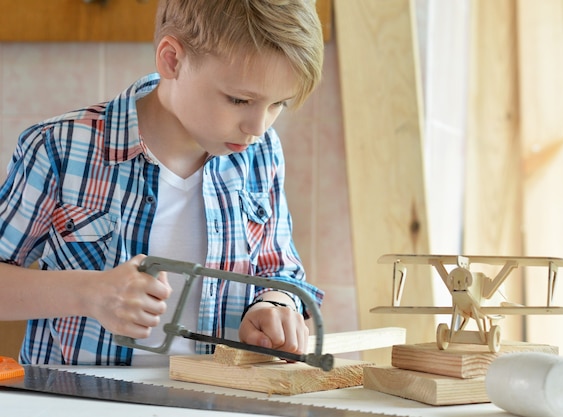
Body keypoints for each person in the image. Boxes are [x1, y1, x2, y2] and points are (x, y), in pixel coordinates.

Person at [0, 0, 324, 366]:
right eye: (239, 99)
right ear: (172, 60)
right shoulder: (61, 147)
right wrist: (87, 293)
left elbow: (278, 271)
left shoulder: (261, 152)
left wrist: (275, 304)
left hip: (214, 401)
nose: (258, 126)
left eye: (279, 103)